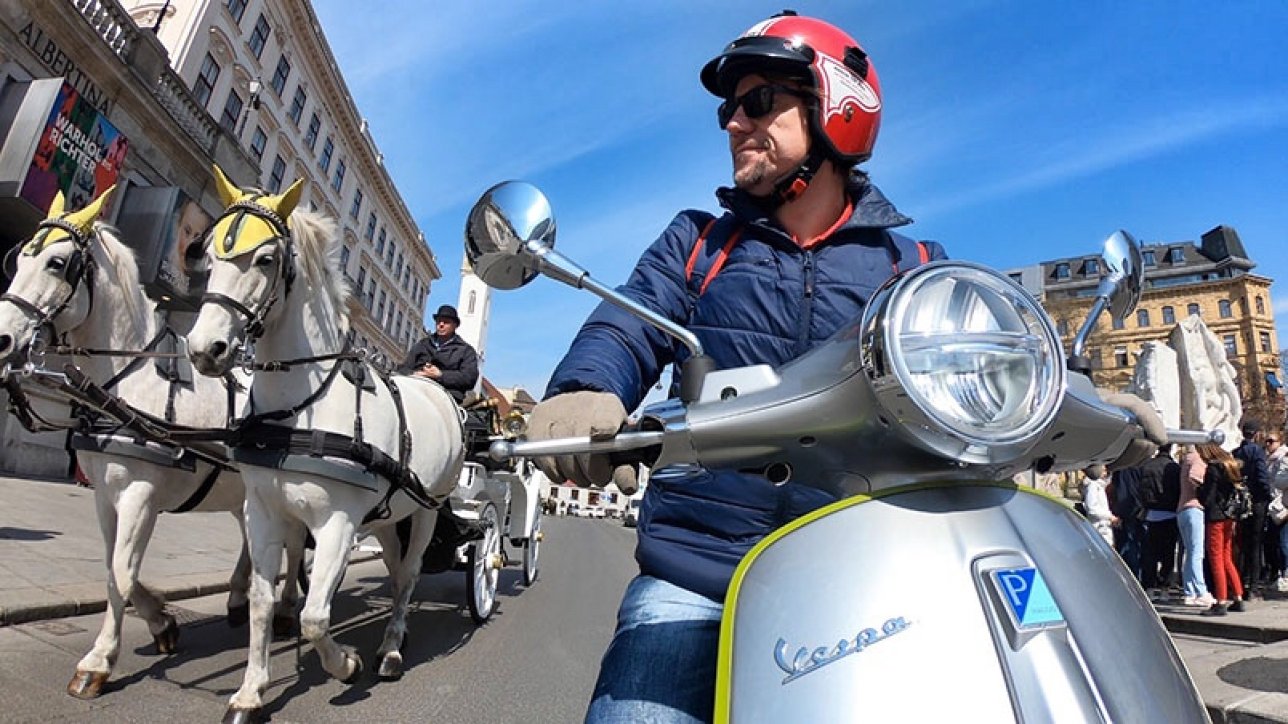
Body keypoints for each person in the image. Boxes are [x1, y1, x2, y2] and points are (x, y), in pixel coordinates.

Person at [524, 13, 1165, 722]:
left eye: (759, 101)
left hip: (865, 569)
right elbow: (631, 321)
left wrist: (1087, 401)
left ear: (837, 108)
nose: (734, 123)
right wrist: (586, 389)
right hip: (698, 571)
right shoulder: (700, 244)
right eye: (729, 107)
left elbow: (987, 364)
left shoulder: (914, 270)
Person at [1196, 443, 1247, 616]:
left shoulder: (1212, 469)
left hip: (1216, 516)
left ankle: (1221, 600)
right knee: (1226, 557)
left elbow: (1208, 498)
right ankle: (1238, 596)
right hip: (1229, 515)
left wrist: (1198, 491)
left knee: (1216, 558)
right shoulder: (1229, 465)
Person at [397, 304, 479, 403]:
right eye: (439, 321)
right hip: (415, 388)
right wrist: (415, 374)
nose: (441, 324)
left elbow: (469, 378)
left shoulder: (465, 350)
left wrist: (440, 375)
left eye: (446, 322)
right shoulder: (423, 344)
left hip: (447, 396)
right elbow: (404, 367)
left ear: (455, 326)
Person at [1233, 420, 1272, 598]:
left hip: (1241, 501)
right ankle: (1253, 586)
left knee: (1243, 542)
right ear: (1256, 434)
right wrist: (1267, 495)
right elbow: (1262, 476)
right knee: (1255, 545)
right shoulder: (1257, 452)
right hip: (1256, 501)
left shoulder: (1236, 452)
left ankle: (1241, 579)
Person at [1138, 444, 1182, 599]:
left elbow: (1141, 489)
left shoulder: (1147, 466)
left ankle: (1149, 586)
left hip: (1152, 513)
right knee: (1168, 553)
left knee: (1150, 552)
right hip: (1170, 513)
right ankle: (1165, 587)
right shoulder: (1174, 468)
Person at [1176, 445, 1215, 607]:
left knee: (1190, 552)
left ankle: (1190, 591)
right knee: (1196, 552)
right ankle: (1200, 591)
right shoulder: (1197, 459)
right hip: (1194, 508)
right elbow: (1195, 477)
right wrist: (1204, 491)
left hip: (1182, 509)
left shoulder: (1186, 459)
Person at [1080, 464, 1115, 546]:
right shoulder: (1092, 486)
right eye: (1103, 471)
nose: (1105, 473)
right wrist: (1109, 516)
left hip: (1103, 525)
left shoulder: (1099, 485)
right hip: (1099, 526)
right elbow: (1092, 508)